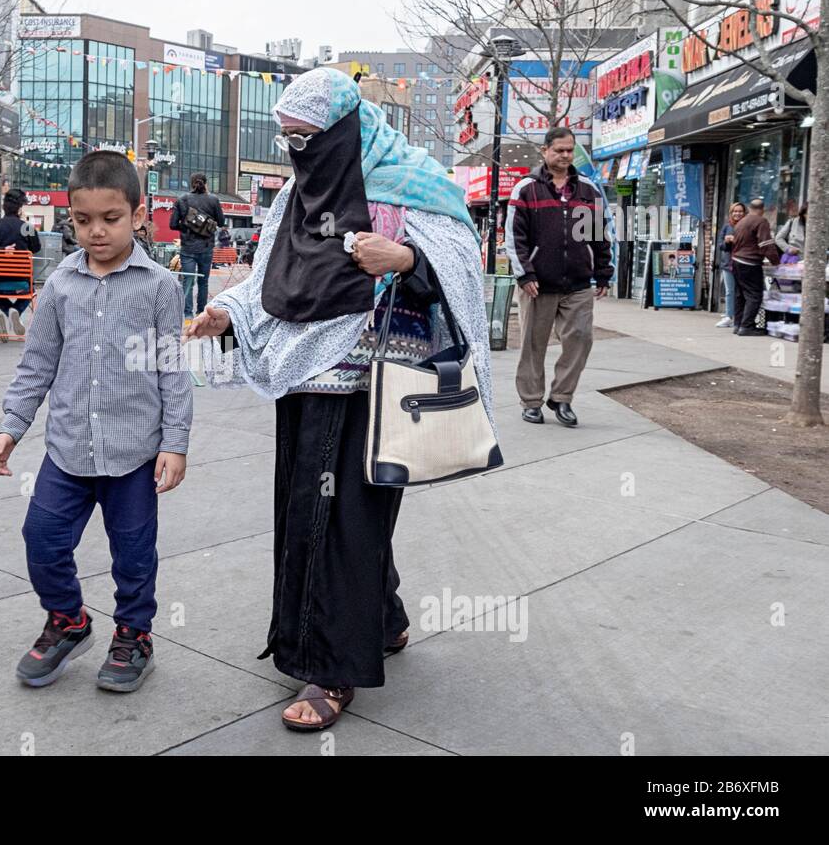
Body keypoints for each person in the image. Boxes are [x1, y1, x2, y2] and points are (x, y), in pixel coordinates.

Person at [185, 68, 493, 731]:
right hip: (307, 383)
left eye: (308, 137)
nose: (298, 150)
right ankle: (380, 619)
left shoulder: (414, 182)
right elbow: (269, 276)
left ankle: (330, 669)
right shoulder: (297, 195)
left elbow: (466, 263)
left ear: (344, 127)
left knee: (339, 520)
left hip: (381, 383)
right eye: (288, 138)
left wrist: (407, 259)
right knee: (322, 513)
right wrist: (227, 314)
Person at [0, 151, 192, 693]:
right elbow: (37, 364)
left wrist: (176, 442)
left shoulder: (159, 287)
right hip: (68, 452)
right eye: (83, 221)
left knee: (133, 552)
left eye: (111, 219)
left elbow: (172, 371)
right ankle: (68, 620)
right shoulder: (59, 284)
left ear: (139, 215)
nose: (96, 232)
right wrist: (13, 425)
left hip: (134, 456)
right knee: (42, 538)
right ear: (69, 218)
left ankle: (134, 635)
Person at [504, 126, 613, 428]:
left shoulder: (587, 190)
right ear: (545, 151)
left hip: (578, 283)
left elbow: (597, 236)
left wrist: (603, 272)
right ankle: (531, 401)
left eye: (570, 150)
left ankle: (562, 397)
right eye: (559, 150)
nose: (566, 155)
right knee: (532, 345)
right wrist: (524, 273)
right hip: (538, 283)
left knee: (581, 339)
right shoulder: (526, 189)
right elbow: (515, 238)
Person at [0, 188, 42, 337]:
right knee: (31, 291)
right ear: (20, 207)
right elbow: (35, 248)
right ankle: (13, 312)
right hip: (20, 282)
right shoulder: (26, 227)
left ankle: (7, 313)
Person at [169, 172, 225, 319]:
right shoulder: (213, 200)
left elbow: (172, 224)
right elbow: (221, 222)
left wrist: (187, 228)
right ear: (206, 183)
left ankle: (187, 315)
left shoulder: (182, 200)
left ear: (191, 183)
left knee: (187, 281)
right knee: (203, 282)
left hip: (187, 248)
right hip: (206, 246)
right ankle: (201, 313)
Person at [730, 197, 780, 335]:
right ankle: (747, 327)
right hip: (749, 263)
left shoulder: (742, 222)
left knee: (740, 295)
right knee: (754, 295)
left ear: (749, 208)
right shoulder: (761, 221)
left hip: (736, 261)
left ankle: (738, 324)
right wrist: (776, 262)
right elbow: (766, 245)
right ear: (762, 210)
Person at [714, 202, 746, 328]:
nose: (737, 214)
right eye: (735, 211)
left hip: (744, 263)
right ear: (731, 213)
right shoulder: (727, 226)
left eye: (740, 211)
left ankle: (740, 317)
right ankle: (728, 316)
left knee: (742, 291)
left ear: (744, 213)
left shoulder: (747, 226)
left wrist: (736, 240)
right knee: (730, 291)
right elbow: (720, 246)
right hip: (729, 264)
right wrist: (727, 242)